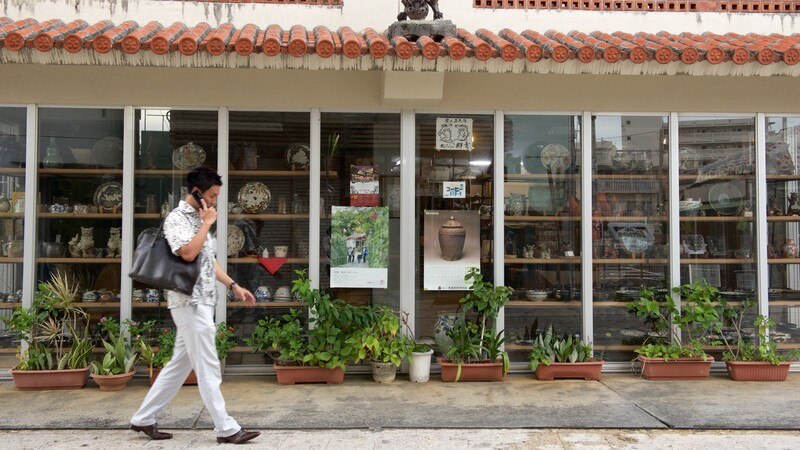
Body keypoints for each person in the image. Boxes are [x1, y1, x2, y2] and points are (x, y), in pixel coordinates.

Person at [130, 167, 260, 445]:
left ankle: (143, 418)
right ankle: (226, 428)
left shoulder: (200, 219)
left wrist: (233, 285)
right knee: (209, 364)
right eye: (212, 196)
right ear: (196, 192)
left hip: (203, 301)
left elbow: (207, 260)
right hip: (187, 301)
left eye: (216, 196)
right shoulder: (176, 219)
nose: (214, 201)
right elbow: (188, 253)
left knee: (178, 365)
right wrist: (206, 224)